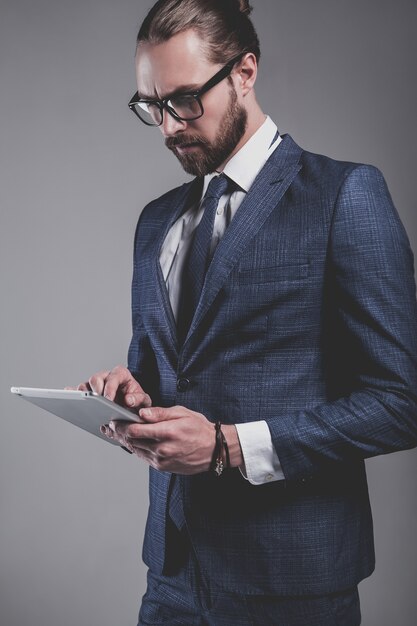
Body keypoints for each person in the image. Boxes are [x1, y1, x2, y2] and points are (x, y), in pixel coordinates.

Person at [76, 1, 417, 624]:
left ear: (244, 72)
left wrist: (228, 447)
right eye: (150, 106)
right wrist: (129, 393)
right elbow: (166, 373)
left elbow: (403, 401)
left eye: (184, 99)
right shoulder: (156, 222)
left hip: (294, 578)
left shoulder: (345, 196)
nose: (168, 126)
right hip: (173, 571)